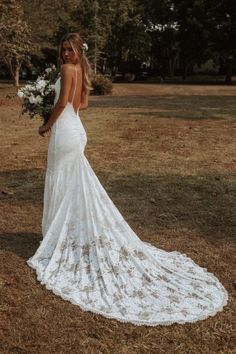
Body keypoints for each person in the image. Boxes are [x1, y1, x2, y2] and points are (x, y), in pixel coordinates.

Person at [27, 32, 228, 326]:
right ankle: (64, 233)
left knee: (63, 181)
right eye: (63, 48)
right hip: (76, 130)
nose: (66, 53)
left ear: (76, 51)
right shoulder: (81, 70)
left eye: (70, 49)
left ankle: (58, 236)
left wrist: (46, 123)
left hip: (64, 132)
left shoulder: (67, 69)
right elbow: (83, 104)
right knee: (72, 183)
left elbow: (62, 107)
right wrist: (60, 103)